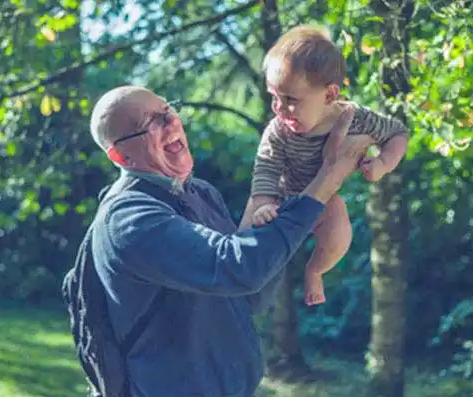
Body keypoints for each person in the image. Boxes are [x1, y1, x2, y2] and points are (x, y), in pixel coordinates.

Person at [76, 85, 375, 396]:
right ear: (120, 155)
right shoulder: (129, 218)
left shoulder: (200, 193)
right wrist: (328, 177)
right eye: (150, 123)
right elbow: (238, 268)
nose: (171, 123)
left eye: (169, 111)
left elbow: (247, 296)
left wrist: (290, 203)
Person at [239, 25, 410, 306]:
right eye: (274, 97)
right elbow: (266, 167)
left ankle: (315, 270)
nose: (279, 108)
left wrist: (383, 163)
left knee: (339, 229)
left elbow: (398, 133)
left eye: (290, 100)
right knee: (253, 248)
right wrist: (263, 205)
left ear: (330, 95)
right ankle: (251, 298)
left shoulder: (355, 117)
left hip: (323, 201)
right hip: (281, 198)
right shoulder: (278, 130)